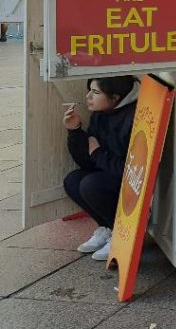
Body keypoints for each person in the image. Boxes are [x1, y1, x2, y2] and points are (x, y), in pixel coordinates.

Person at [62, 76, 138, 261]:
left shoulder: (134, 116)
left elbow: (131, 170)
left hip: (133, 181)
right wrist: (75, 130)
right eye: (90, 90)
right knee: (73, 180)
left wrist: (97, 153)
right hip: (110, 172)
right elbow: (87, 162)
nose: (88, 97)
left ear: (115, 97)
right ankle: (106, 228)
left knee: (91, 184)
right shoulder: (101, 112)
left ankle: (121, 236)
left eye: (95, 92)